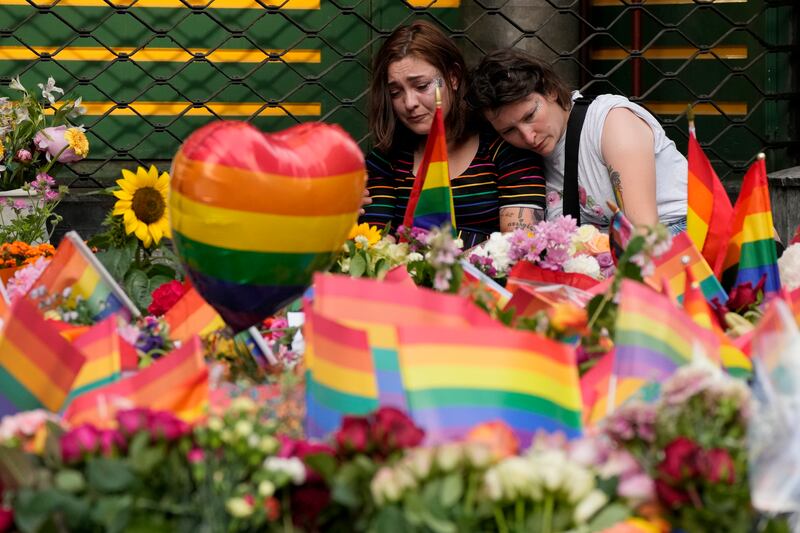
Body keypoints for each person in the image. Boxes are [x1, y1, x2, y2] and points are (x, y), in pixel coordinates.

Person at [359, 21, 548, 247]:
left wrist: (445, 264)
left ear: (454, 77)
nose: (409, 103)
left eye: (421, 86)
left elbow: (520, 244)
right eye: (396, 92)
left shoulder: (502, 145)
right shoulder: (386, 160)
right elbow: (378, 245)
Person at [467, 48, 688, 234]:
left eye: (530, 116)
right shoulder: (522, 156)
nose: (528, 136)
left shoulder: (610, 122)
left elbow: (644, 231)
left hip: (675, 238)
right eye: (509, 130)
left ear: (551, 91)